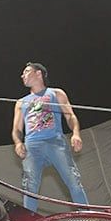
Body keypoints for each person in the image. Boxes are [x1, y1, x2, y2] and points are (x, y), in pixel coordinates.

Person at [11, 61, 88, 210]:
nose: (22, 75)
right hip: (32, 145)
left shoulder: (56, 93)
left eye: (26, 71)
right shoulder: (21, 102)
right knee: (29, 185)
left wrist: (76, 133)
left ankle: (86, 214)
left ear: (38, 73)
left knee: (72, 179)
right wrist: (18, 143)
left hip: (55, 141)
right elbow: (16, 129)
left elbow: (70, 116)